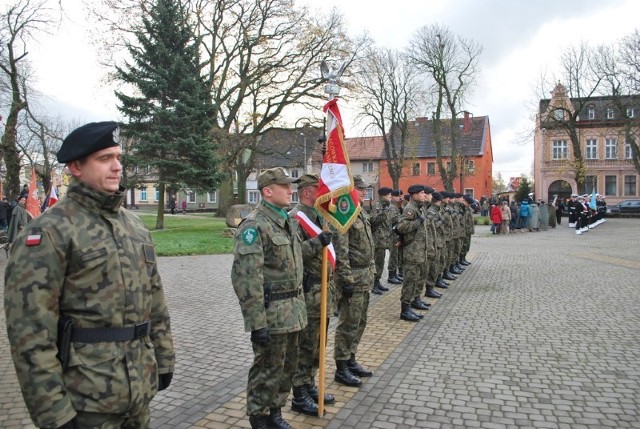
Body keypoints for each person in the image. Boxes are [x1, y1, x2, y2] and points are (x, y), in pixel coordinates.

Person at [4, 121, 175, 429]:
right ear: (76, 167)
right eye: (104, 158)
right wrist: (52, 412)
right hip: (86, 400)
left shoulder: (134, 226)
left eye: (118, 157)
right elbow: (29, 333)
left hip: (138, 391)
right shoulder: (49, 232)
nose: (117, 166)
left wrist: (164, 358)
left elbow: (156, 302)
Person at [231, 167, 307, 429]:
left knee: (287, 366)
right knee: (267, 368)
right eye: (284, 186)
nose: (290, 190)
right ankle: (259, 416)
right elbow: (246, 278)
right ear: (267, 191)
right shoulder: (254, 225)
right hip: (272, 313)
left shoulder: (287, 221)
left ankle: (275, 410)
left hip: (294, 310)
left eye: (291, 186)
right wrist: (256, 323)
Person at [288, 174, 335, 416]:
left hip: (323, 290)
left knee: (319, 344)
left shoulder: (318, 216)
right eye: (320, 189)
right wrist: (318, 242)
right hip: (308, 292)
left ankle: (310, 384)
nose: (325, 194)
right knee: (305, 346)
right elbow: (292, 254)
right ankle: (299, 394)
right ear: (308, 192)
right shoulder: (296, 218)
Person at [333, 175, 375, 388]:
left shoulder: (361, 213)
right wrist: (346, 280)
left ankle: (351, 359)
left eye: (365, 189)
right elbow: (341, 251)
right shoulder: (344, 215)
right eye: (360, 189)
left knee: (360, 321)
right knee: (348, 323)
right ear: (350, 191)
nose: (364, 192)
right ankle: (341, 367)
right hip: (353, 278)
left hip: (365, 276)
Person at [396, 185, 429, 322]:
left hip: (419, 251)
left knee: (415, 280)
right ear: (414, 195)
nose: (424, 195)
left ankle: (410, 305)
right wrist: (417, 221)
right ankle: (405, 310)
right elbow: (401, 227)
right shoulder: (410, 209)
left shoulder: (419, 208)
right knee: (409, 281)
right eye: (421, 193)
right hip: (411, 252)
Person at [370, 187, 397, 295]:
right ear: (382, 195)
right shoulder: (378, 206)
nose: (390, 196)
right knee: (377, 263)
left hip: (385, 238)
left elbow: (391, 221)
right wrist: (383, 212)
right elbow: (374, 221)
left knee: (381, 263)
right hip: (378, 239)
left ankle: (378, 281)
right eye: (388, 194)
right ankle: (374, 284)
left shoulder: (388, 206)